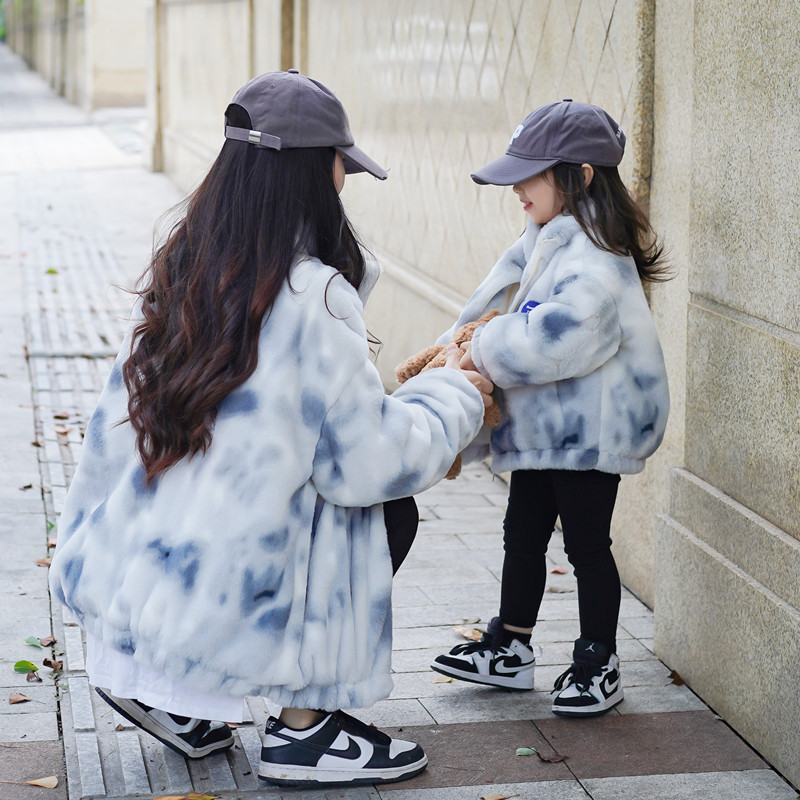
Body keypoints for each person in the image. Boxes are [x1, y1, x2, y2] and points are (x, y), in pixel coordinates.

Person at [48, 70, 493, 787]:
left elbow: (111, 432)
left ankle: (164, 685)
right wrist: (455, 395)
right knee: (385, 511)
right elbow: (366, 461)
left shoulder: (188, 262)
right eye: (340, 164)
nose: (344, 181)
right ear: (311, 173)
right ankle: (304, 728)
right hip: (237, 589)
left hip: (146, 578)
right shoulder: (312, 295)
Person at [428, 99, 670, 717]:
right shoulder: (543, 240)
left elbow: (558, 337)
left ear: (581, 176)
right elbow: (499, 308)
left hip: (589, 432)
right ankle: (511, 645)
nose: (517, 188)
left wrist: (480, 345)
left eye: (529, 174)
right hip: (542, 427)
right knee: (523, 531)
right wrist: (451, 352)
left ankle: (597, 661)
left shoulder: (598, 258)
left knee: (586, 544)